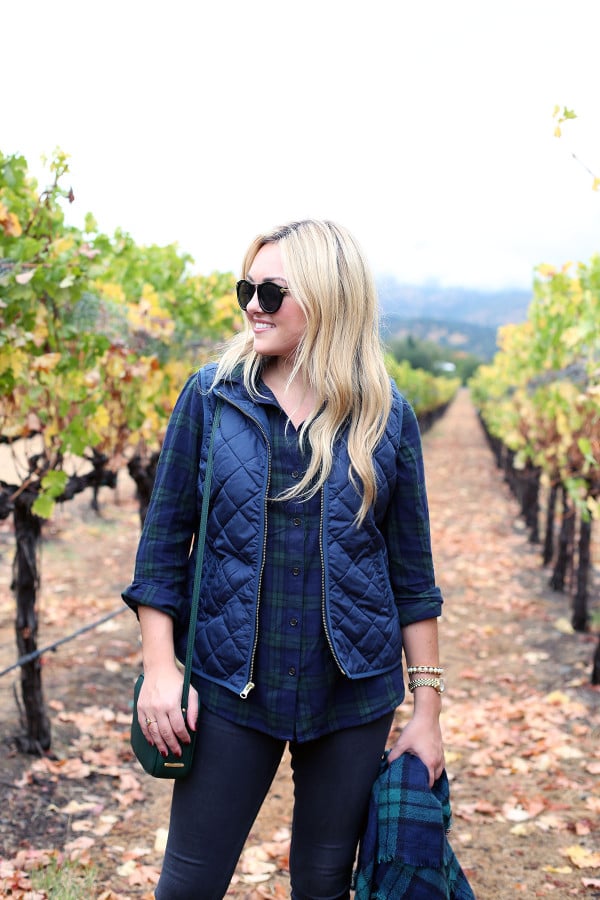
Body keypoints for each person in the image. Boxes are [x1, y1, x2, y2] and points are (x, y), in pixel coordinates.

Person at [122, 219, 445, 900]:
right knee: (187, 885)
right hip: (228, 685)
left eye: (272, 292)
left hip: (353, 694)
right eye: (247, 289)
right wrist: (160, 669)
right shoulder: (210, 398)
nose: (253, 307)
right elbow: (161, 550)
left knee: (323, 886)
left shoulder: (386, 416)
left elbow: (413, 579)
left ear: (328, 299)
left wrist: (428, 712)